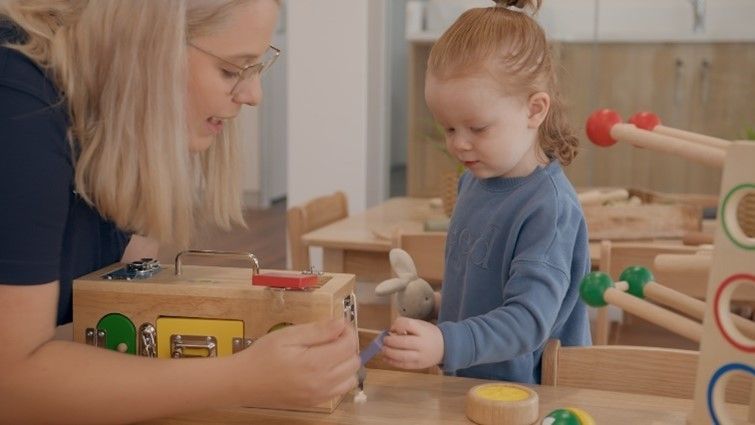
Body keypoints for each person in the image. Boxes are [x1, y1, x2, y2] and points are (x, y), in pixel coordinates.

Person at [0, 1, 359, 423]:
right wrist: (245, 376)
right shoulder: (20, 106)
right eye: (231, 70)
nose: (252, 95)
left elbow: (119, 302)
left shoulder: (118, 122)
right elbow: (11, 383)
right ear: (150, 49)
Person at [381, 0, 591, 384]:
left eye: (477, 129)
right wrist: (437, 309)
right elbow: (486, 297)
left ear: (534, 110)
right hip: (472, 385)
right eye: (448, 129)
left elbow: (528, 321)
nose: (459, 145)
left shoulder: (549, 209)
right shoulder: (474, 183)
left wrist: (446, 340)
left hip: (531, 398)